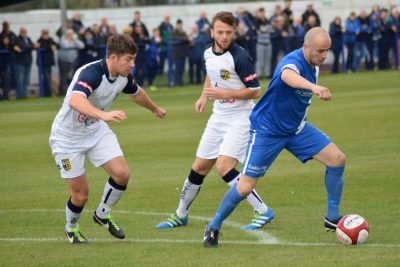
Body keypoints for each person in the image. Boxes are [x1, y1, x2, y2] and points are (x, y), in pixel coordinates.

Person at [203, 27, 346, 248]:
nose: (324, 56)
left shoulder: (314, 64)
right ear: (305, 46)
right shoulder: (291, 61)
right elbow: (288, 76)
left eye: (327, 51)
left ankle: (332, 218)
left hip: (297, 130)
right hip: (267, 131)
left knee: (337, 159)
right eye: (320, 51)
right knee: (245, 187)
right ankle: (213, 226)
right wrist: (314, 87)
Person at [156, 11, 274, 231]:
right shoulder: (207, 53)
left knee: (224, 166)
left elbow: (256, 91)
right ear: (212, 32)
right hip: (218, 116)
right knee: (199, 167)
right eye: (220, 32)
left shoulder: (240, 57)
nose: (224, 36)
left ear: (234, 33)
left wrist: (225, 94)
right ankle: (181, 215)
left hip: (241, 118)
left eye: (229, 32)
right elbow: (212, 73)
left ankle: (263, 210)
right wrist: (204, 96)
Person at [49, 34, 167, 244]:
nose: (133, 64)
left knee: (122, 174)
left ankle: (102, 213)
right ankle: (71, 227)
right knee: (81, 195)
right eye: (128, 59)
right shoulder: (91, 73)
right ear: (113, 57)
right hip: (66, 139)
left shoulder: (123, 77)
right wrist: (103, 115)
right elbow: (76, 101)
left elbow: (137, 93)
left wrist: (154, 108)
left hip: (95, 131)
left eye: (133, 59)